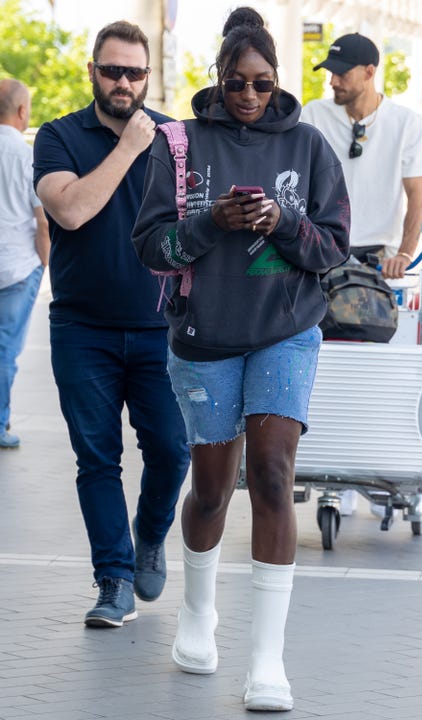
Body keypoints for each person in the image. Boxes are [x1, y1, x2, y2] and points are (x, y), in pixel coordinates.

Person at [132, 6, 349, 712]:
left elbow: (332, 250)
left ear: (278, 81)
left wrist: (280, 221)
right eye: (236, 84)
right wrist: (210, 222)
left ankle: (266, 663)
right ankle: (198, 614)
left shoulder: (310, 146)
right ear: (218, 81)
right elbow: (151, 247)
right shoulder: (180, 144)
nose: (250, 97)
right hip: (204, 338)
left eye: (261, 83)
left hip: (286, 331)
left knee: (274, 475)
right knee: (213, 489)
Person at [33, 21, 190, 628]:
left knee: (173, 452)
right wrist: (127, 147)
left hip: (161, 327)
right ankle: (114, 580)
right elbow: (69, 210)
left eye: (134, 72)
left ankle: (149, 534)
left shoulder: (176, 139)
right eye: (112, 71)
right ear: (92, 72)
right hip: (83, 329)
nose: (124, 82)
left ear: (148, 76)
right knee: (96, 459)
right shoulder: (57, 136)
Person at [302, 33, 422, 517]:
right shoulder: (314, 114)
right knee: (325, 370)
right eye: (330, 71)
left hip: (378, 262)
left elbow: (415, 194)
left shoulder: (403, 122)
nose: (333, 80)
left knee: (383, 371)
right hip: (323, 254)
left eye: (342, 72)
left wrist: (403, 251)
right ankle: (338, 470)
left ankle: (381, 465)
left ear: (370, 72)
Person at [0, 79, 50, 449]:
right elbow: (43, 219)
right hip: (17, 266)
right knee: (4, 349)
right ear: (21, 112)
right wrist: (49, 265)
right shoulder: (25, 153)